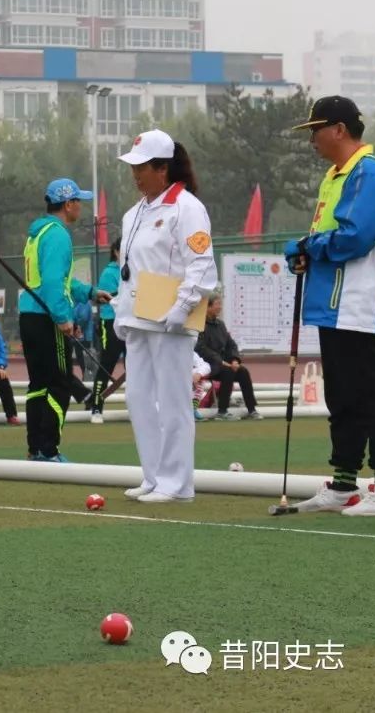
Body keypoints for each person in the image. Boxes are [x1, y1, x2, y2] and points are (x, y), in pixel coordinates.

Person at [285, 96, 375, 516]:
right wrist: (307, 252)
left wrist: (311, 245)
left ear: (339, 130)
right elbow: (331, 236)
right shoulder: (336, 175)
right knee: (342, 394)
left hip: (363, 301)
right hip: (334, 302)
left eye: (316, 130)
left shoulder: (369, 172)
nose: (311, 139)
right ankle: (344, 482)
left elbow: (355, 236)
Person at [112, 130, 218, 504]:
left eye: (142, 167)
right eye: (133, 166)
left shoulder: (187, 208)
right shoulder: (134, 213)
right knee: (138, 398)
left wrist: (182, 306)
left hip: (172, 320)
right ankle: (154, 475)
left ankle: (177, 483)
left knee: (173, 401)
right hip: (139, 319)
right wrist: (120, 311)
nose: (135, 174)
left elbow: (202, 265)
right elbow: (132, 268)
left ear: (163, 168)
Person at [18, 179, 108, 462]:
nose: (81, 206)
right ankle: (49, 448)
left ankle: (35, 448)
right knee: (59, 383)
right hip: (48, 318)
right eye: (79, 201)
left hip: (29, 316)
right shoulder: (58, 235)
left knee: (38, 385)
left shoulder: (39, 233)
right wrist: (63, 317)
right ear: (68, 204)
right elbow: (55, 283)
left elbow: (60, 281)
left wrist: (91, 293)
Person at [195, 295, 262, 421]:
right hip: (207, 365)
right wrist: (221, 361)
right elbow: (201, 348)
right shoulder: (199, 325)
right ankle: (222, 411)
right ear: (208, 307)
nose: (220, 307)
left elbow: (231, 344)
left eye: (220, 304)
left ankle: (252, 409)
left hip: (224, 364)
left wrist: (234, 360)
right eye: (217, 304)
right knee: (228, 371)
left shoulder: (220, 324)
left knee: (242, 371)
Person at [89, 238, 124, 423]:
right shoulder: (109, 273)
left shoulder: (136, 269)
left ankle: (139, 408)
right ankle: (96, 407)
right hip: (111, 322)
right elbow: (107, 298)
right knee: (106, 364)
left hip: (132, 323)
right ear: (116, 252)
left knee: (135, 366)